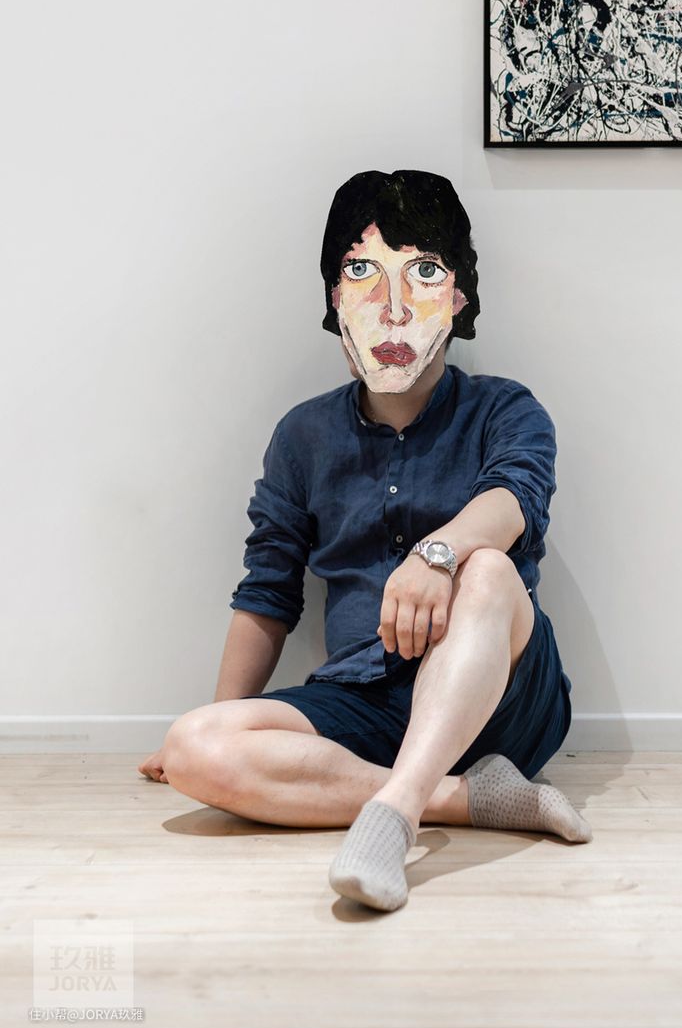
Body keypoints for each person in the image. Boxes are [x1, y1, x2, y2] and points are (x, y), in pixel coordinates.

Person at [139, 168, 591, 910]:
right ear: (334, 299)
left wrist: (437, 555)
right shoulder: (303, 435)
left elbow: (515, 500)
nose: (393, 308)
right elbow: (268, 589)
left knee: (487, 570)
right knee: (195, 744)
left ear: (459, 297)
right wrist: (220, 721)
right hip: (364, 699)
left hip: (504, 698)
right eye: (362, 275)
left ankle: (392, 819)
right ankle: (465, 798)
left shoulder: (506, 410)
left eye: (424, 274)